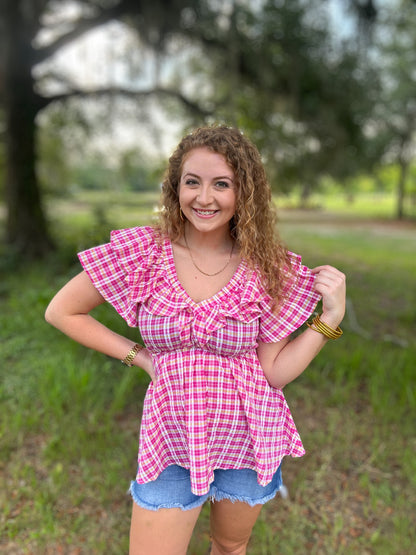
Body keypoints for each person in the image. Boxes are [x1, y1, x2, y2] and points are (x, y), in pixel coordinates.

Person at [45, 125, 346, 555]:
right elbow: (62, 311)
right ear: (175, 187)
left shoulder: (269, 269)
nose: (204, 198)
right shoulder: (143, 253)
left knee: (228, 548)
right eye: (193, 182)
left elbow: (274, 373)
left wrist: (329, 318)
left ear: (245, 193)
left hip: (249, 434)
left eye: (221, 184)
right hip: (171, 436)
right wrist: (140, 356)